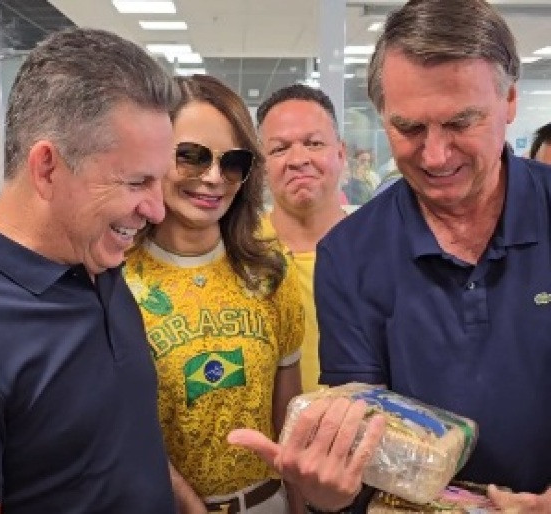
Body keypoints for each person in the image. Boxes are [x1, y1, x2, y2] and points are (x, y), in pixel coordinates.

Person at [314, 0, 551, 511]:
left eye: (461, 122)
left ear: (510, 101)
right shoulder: (348, 255)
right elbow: (363, 437)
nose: (436, 156)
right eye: (410, 129)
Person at [0, 28, 179, 513]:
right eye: (137, 181)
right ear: (48, 169)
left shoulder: (97, 257)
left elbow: (114, 435)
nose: (157, 210)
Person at [123, 74, 305, 513]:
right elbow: (118, 430)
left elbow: (289, 422)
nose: (212, 178)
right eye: (190, 156)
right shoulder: (115, 280)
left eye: (233, 162)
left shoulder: (268, 272)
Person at [256, 84, 347, 392]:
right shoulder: (240, 252)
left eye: (314, 143)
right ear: (263, 166)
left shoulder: (376, 248)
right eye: (279, 149)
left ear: (341, 153)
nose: (298, 159)